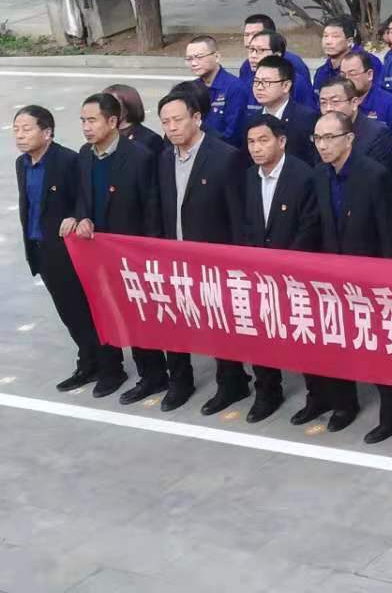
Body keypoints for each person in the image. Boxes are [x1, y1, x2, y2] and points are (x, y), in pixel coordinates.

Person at [311, 111, 392, 442]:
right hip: (333, 278)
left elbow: (388, 233)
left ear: (350, 139)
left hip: (371, 280)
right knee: (337, 343)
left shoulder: (374, 175)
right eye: (317, 138)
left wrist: (387, 284)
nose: (322, 145)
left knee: (382, 350)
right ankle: (344, 405)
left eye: (329, 138)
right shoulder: (319, 174)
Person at [62, 93, 163, 403]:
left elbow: (151, 208)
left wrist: (148, 254)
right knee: (103, 311)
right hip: (95, 251)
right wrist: (81, 217)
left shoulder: (140, 157)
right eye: (83, 121)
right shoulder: (85, 154)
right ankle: (111, 369)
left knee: (137, 316)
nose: (86, 127)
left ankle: (153, 375)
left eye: (92, 120)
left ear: (113, 121)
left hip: (130, 254)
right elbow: (83, 196)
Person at [154, 88, 250, 414]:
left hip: (215, 260)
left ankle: (231, 382)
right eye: (166, 122)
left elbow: (237, 215)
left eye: (178, 120)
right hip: (174, 258)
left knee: (220, 325)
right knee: (172, 321)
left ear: (197, 118)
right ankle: (180, 381)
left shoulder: (225, 157)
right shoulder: (164, 158)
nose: (172, 127)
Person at [15, 104, 112, 396]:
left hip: (70, 250)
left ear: (47, 133)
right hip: (40, 248)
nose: (20, 135)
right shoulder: (21, 163)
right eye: (16, 129)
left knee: (87, 310)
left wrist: (75, 216)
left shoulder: (68, 160)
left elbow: (85, 198)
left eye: (27, 129)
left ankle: (109, 368)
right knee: (68, 312)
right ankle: (88, 363)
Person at [237, 115, 320, 424]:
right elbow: (246, 223)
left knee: (305, 338)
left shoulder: (303, 176)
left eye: (263, 140)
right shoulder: (248, 177)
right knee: (260, 334)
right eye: (251, 142)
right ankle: (267, 392)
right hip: (258, 274)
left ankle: (318, 397)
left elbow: (309, 226)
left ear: (281, 141)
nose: (256, 148)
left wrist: (286, 267)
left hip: (296, 275)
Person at [250, 54, 319, 165]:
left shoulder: (306, 119)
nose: (259, 87)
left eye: (266, 82)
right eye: (256, 81)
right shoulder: (252, 120)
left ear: (286, 86)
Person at [317, 77, 392, 172]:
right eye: (323, 103)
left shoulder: (377, 133)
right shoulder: (319, 132)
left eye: (335, 102)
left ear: (354, 103)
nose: (328, 108)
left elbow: (376, 175)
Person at [184, 34, 250, 149]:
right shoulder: (191, 89)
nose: (194, 63)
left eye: (199, 57)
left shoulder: (235, 88)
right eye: (189, 59)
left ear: (217, 56)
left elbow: (233, 134)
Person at [236, 14, 317, 107]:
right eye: (246, 35)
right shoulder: (246, 66)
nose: (250, 39)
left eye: (256, 34)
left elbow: (306, 106)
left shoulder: (294, 67)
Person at [340, 49, 392, 144]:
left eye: (352, 74)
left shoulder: (390, 106)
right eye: (343, 75)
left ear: (369, 75)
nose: (347, 79)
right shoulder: (338, 103)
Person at [313, 16, 382, 94]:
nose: (328, 42)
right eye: (325, 36)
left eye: (335, 36)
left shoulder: (369, 62)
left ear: (349, 41)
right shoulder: (322, 72)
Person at [104, 83, 165, 159]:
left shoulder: (150, 139)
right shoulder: (100, 134)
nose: (107, 109)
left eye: (113, 104)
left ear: (128, 105)